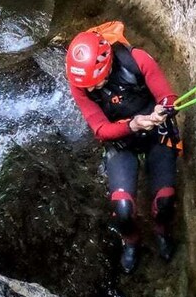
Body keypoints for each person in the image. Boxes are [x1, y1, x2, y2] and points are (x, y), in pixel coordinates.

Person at [66, 22, 181, 274]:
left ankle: (162, 231)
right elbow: (100, 129)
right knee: (122, 208)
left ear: (106, 66)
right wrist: (133, 124)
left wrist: (163, 109)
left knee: (165, 201)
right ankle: (131, 241)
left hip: (155, 135)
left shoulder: (136, 60)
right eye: (85, 85)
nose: (90, 89)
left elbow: (168, 97)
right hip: (122, 142)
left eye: (94, 83)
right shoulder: (81, 85)